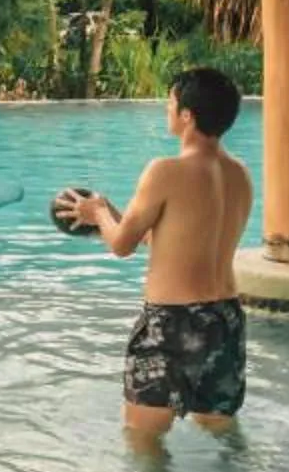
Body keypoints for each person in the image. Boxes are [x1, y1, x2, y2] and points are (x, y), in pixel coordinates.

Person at [66, 68, 252, 450]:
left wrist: (97, 212)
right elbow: (174, 240)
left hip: (171, 323)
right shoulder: (239, 175)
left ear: (188, 115)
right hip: (225, 322)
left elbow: (121, 246)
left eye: (170, 101)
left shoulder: (165, 171)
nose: (166, 108)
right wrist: (118, 214)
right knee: (222, 438)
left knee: (143, 442)